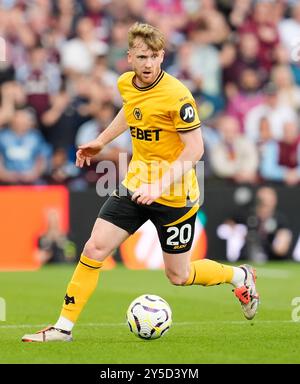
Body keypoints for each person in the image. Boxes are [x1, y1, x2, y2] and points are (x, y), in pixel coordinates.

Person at [22, 22, 259, 342]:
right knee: (94, 248)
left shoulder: (178, 96)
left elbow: (196, 149)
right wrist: (101, 141)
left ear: (162, 57)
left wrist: (159, 186)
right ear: (129, 57)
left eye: (154, 57)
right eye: (142, 57)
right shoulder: (125, 83)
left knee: (179, 275)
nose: (148, 64)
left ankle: (239, 275)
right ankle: (63, 328)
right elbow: (131, 109)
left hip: (175, 194)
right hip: (135, 184)